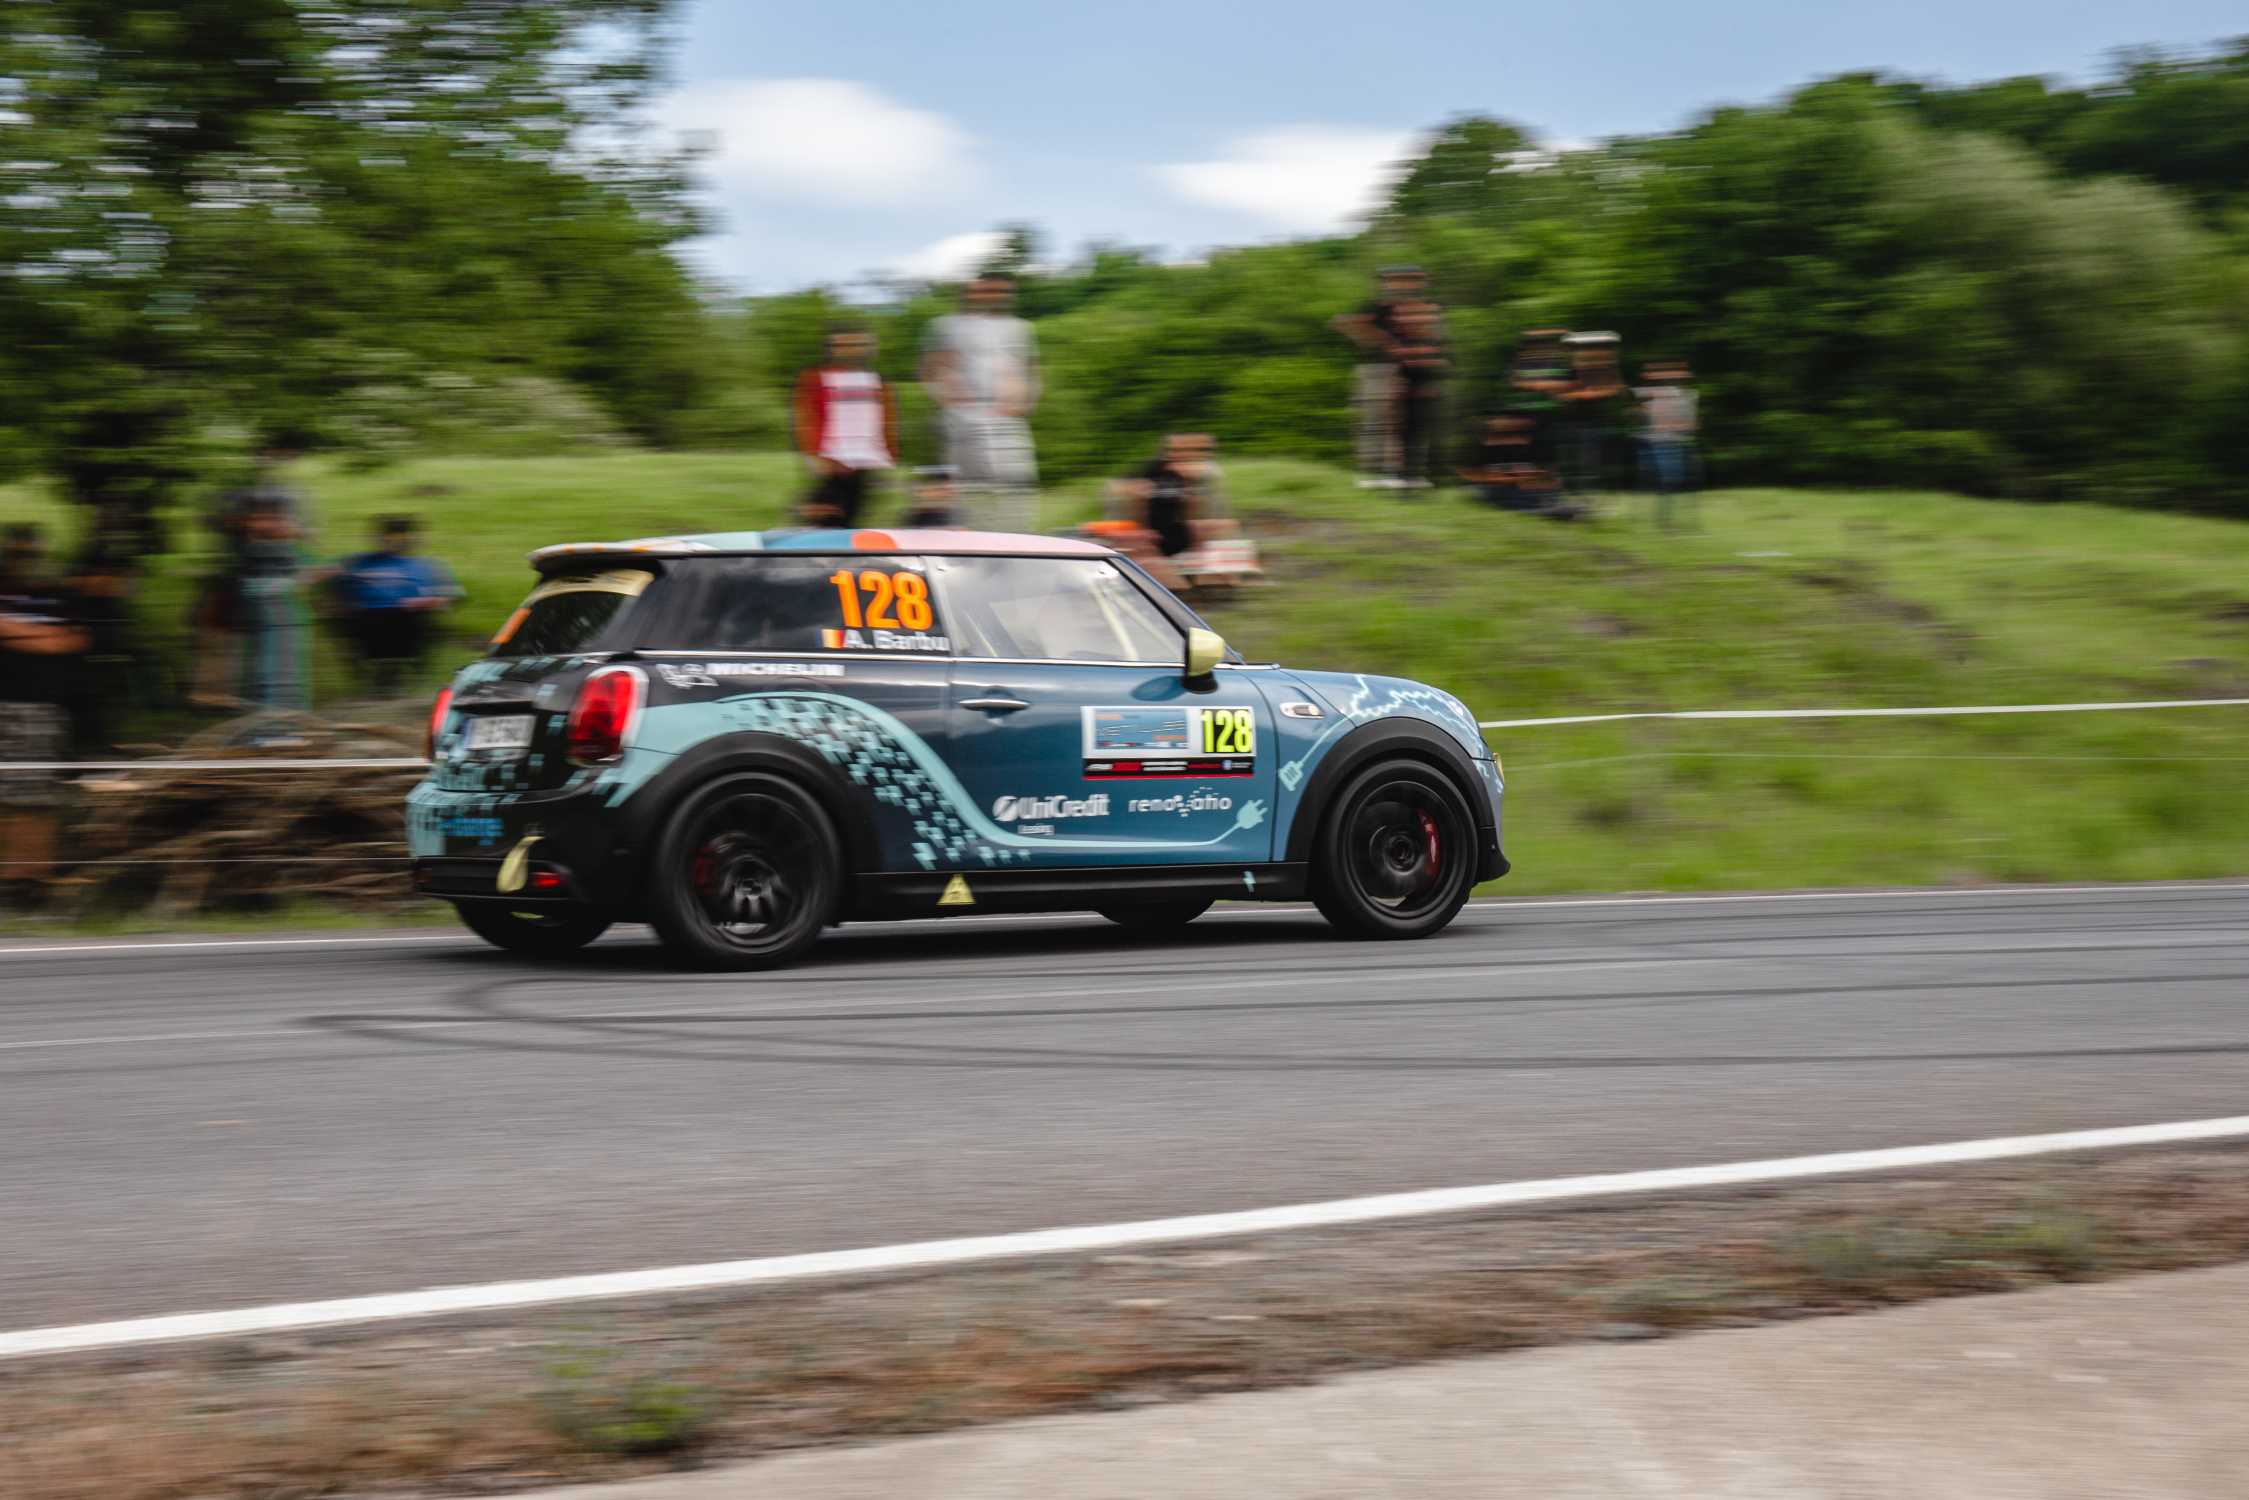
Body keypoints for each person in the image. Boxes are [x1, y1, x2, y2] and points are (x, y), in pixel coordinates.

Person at [189, 431, 315, 709]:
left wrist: (288, 536)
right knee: (254, 646)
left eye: (287, 455)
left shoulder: (293, 492)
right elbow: (214, 521)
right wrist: (248, 523)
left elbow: (304, 532)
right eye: (275, 453)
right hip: (243, 576)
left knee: (277, 648)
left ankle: (277, 709)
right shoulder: (238, 489)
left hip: (279, 579)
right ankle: (261, 708)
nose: (280, 460)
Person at [0, 525, 91, 907]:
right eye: (19, 551)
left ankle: (33, 879)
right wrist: (42, 636)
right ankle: (9, 876)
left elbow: (72, 640)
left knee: (38, 800)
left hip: (44, 709)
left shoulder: (60, 594)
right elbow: (55, 640)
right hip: (5, 705)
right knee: (8, 800)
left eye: (31, 550)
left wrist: (15, 632)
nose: (25, 557)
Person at [919, 272, 1041, 532]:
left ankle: (1017, 539)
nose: (994, 296)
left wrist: (1024, 402)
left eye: (1001, 291)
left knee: (1016, 483)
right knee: (967, 486)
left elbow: (1030, 369)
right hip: (964, 417)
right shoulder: (946, 326)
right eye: (986, 291)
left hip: (1007, 418)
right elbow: (930, 368)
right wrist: (946, 397)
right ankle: (970, 541)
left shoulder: (1020, 328)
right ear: (969, 294)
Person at [1334, 266, 1443, 490]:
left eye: (1411, 280)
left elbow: (1433, 341)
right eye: (1398, 280)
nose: (1405, 284)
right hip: (1379, 368)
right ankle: (1375, 474)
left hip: (1411, 371)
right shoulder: (1377, 306)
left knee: (1407, 423)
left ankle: (1405, 474)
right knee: (1378, 420)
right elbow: (1342, 322)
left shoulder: (1423, 308)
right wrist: (1384, 341)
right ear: (1387, 283)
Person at [329, 516, 461, 696]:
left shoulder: (427, 566)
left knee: (420, 624)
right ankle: (383, 676)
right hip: (365, 622)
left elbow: (451, 596)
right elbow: (334, 592)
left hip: (409, 621)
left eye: (402, 537)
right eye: (391, 537)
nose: (396, 542)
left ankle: (394, 675)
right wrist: (340, 606)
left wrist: (432, 601)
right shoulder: (355, 563)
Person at [793, 326, 898, 528]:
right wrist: (814, 455)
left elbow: (884, 419)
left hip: (864, 461)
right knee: (824, 517)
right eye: (841, 345)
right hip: (831, 460)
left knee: (853, 516)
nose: (849, 350)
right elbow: (806, 417)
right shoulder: (816, 377)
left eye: (855, 344)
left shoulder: (876, 381)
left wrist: (889, 455)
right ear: (831, 348)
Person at [235, 496, 310, 734]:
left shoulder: (281, 548)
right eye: (261, 518)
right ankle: (270, 730)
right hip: (267, 612)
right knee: (266, 671)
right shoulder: (256, 548)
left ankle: (286, 728)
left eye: (276, 518)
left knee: (283, 670)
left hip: (281, 613)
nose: (273, 523)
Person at [1634, 361, 1701, 529]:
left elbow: (1693, 424)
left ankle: (1680, 521)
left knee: (1682, 480)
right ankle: (1665, 522)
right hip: (1661, 443)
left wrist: (1682, 425)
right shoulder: (1656, 396)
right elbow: (1657, 424)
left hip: (1677, 442)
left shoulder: (1687, 396)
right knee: (1669, 480)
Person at [1558, 332, 1625, 499]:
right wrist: (1584, 394)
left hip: (1595, 420)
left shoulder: (1605, 372)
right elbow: (1561, 394)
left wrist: (1587, 393)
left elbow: (1616, 389)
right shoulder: (1570, 371)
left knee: (1590, 458)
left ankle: (1587, 491)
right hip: (1571, 420)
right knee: (1571, 457)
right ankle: (1572, 490)